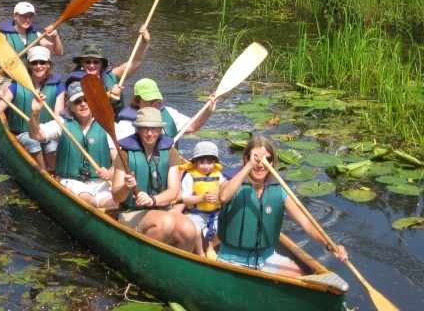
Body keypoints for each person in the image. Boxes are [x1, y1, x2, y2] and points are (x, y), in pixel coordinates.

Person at [217, 135, 349, 277]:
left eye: (266, 159)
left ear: (272, 162)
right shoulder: (231, 182)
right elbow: (223, 197)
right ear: (245, 159)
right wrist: (249, 166)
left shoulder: (278, 190)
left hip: (266, 258)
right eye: (255, 158)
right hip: (232, 260)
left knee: (299, 274)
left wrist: (329, 245)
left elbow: (305, 222)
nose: (260, 164)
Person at [111, 107, 197, 252]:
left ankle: (175, 269)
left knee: (189, 230)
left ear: (160, 129)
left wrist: (153, 200)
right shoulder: (124, 154)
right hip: (132, 211)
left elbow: (173, 191)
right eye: (145, 128)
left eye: (154, 128)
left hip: (162, 207)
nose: (150, 133)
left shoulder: (170, 152)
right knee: (166, 222)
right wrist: (126, 186)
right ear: (138, 128)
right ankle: (141, 261)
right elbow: (116, 196)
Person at [28, 82, 117, 208]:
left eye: (87, 100)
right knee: (89, 201)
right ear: (71, 107)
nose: (83, 104)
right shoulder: (63, 124)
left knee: (115, 204)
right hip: (72, 181)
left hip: (101, 183)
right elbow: (35, 135)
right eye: (77, 102)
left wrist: (111, 171)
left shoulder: (106, 124)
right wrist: (35, 113)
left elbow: (119, 157)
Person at [0, 46, 65, 170]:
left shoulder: (58, 87)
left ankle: (54, 174)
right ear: (29, 65)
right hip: (22, 133)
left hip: (45, 132)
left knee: (52, 146)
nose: (38, 66)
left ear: (48, 65)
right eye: (34, 62)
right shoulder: (15, 86)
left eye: (42, 62)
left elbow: (58, 117)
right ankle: (42, 173)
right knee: (32, 141)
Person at [0, 1, 63, 90]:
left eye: (30, 16)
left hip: (30, 79)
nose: (27, 19)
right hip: (6, 79)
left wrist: (55, 36)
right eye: (23, 15)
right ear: (15, 16)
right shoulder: (2, 37)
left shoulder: (36, 35)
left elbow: (58, 52)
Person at [64, 26, 150, 113]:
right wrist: (109, 94)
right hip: (92, 123)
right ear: (82, 63)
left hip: (115, 121)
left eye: (96, 62)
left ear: (101, 63)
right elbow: (87, 105)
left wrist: (145, 43)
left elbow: (135, 62)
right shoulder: (76, 83)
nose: (92, 65)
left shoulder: (112, 75)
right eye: (88, 62)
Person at [116, 78, 217, 143]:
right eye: (148, 101)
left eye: (156, 101)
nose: (154, 105)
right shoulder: (126, 124)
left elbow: (192, 126)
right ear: (137, 101)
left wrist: (207, 112)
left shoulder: (168, 113)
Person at [179, 141, 225, 259]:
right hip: (195, 214)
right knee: (196, 230)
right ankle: (200, 254)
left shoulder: (218, 175)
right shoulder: (189, 176)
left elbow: (224, 193)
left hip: (215, 214)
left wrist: (219, 197)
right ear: (195, 162)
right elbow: (185, 200)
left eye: (209, 163)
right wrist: (202, 198)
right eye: (202, 162)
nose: (206, 166)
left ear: (215, 163)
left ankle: (210, 247)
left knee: (227, 227)